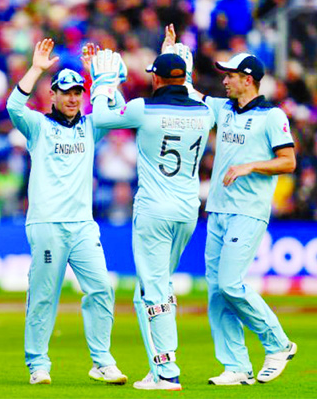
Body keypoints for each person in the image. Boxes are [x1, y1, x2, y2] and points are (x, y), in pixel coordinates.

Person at [164, 25, 298, 386]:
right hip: (219, 211)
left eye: (232, 75)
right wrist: (171, 54)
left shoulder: (272, 116)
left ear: (249, 80)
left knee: (231, 284)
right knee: (217, 292)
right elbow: (186, 90)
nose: (225, 80)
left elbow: (288, 162)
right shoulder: (222, 108)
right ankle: (236, 367)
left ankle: (279, 343)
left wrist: (251, 165)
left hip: (249, 211)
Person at [6, 38, 127, 386]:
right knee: (44, 295)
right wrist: (35, 69)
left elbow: (116, 113)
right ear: (54, 96)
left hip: (83, 227)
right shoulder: (39, 127)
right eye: (66, 92)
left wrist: (101, 79)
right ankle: (38, 365)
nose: (73, 98)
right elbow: (14, 106)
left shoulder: (91, 126)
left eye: (78, 92)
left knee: (102, 289)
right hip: (46, 224)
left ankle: (102, 361)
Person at [91, 51, 214, 391]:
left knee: (154, 289)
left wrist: (103, 83)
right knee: (155, 287)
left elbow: (100, 117)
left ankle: (167, 371)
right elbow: (187, 93)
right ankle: (156, 365)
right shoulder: (205, 113)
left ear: (156, 79)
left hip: (154, 211)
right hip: (188, 212)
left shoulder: (143, 108)